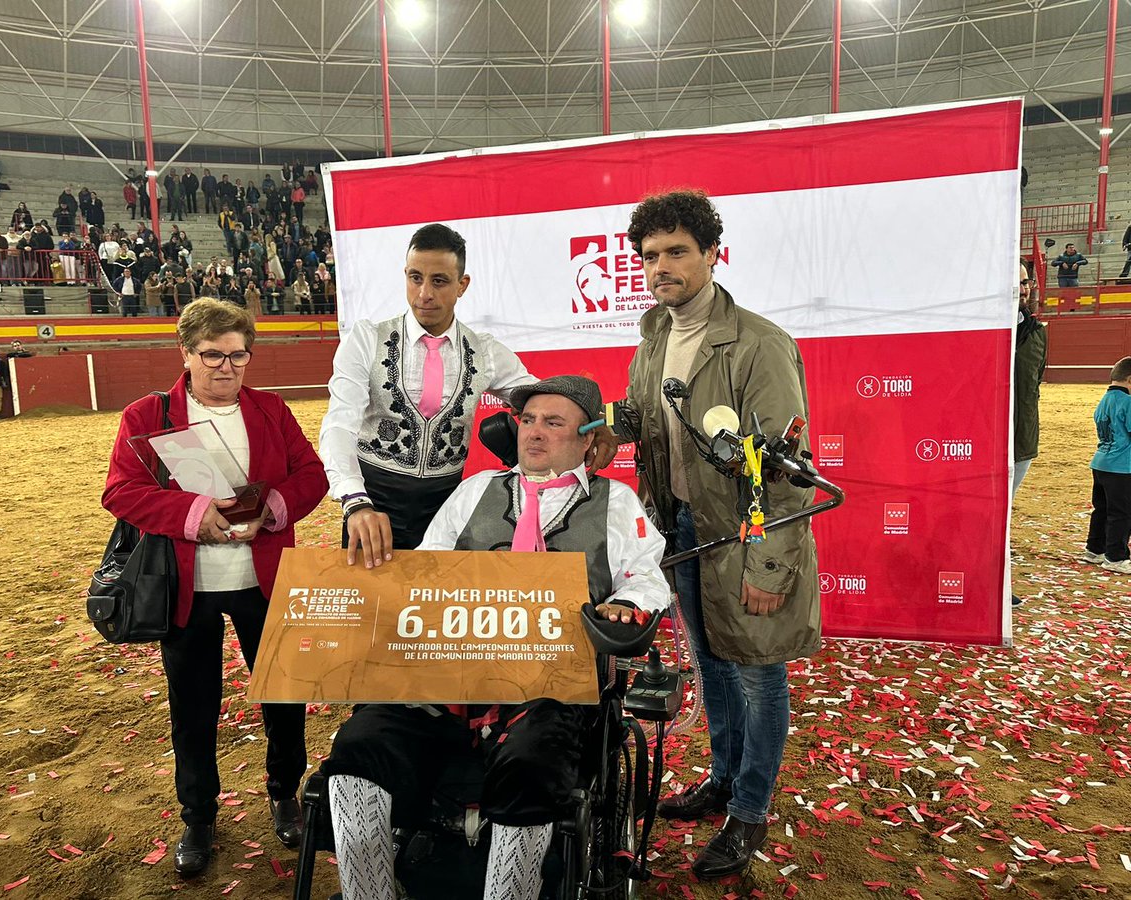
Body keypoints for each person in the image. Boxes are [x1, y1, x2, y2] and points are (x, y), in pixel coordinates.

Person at [324, 374, 669, 900]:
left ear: (588, 440)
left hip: (551, 684)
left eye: (554, 423)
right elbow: (428, 569)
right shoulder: (475, 491)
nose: (535, 432)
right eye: (527, 420)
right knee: (359, 747)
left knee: (532, 760)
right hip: (451, 676)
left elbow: (646, 577)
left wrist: (625, 604)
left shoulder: (616, 502)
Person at [622, 190, 818, 880]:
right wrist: (597, 430)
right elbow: (643, 421)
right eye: (651, 255)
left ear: (711, 253)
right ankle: (724, 779)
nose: (662, 267)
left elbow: (786, 470)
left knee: (759, 673)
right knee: (711, 665)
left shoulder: (760, 344)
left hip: (744, 535)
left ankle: (750, 809)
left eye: (677, 251)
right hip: (681, 529)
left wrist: (769, 567)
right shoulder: (653, 337)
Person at [102, 298, 329, 877]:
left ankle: (284, 794)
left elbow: (312, 475)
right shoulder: (146, 415)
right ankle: (198, 816)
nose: (227, 367)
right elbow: (120, 492)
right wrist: (193, 514)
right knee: (194, 707)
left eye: (238, 355)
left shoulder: (271, 409)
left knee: (283, 696)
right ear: (185, 353)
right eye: (212, 355)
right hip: (187, 585)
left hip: (264, 579)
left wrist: (273, 509)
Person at [318, 223, 618, 565]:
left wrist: (594, 422)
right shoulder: (366, 340)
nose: (424, 293)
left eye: (439, 281)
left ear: (462, 285)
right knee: (372, 597)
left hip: (448, 509)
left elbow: (545, 397)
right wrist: (355, 501)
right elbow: (340, 425)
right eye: (415, 278)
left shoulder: (484, 351)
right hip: (372, 503)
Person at [1010, 260, 1046, 606]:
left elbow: (1034, 386)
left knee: (1003, 515)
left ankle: (998, 585)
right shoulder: (984, 330)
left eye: (1026, 282)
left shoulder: (1037, 332)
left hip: (1021, 441)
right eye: (1017, 281)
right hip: (978, 442)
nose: (1024, 288)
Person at [1084, 357, 1131, 573]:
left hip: (1101, 463)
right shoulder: (1128, 402)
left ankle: (1094, 549)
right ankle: (1115, 557)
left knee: (1101, 509)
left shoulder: (1104, 400)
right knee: (1122, 513)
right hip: (1121, 467)